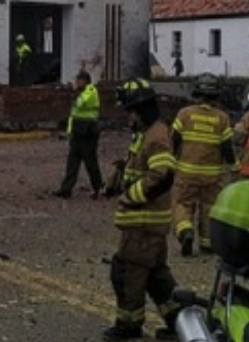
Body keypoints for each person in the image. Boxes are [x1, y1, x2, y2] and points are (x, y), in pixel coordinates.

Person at [103, 79, 180, 341]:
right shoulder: (147, 134)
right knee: (156, 278)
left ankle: (129, 326)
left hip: (143, 225)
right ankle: (181, 321)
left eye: (130, 112)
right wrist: (119, 177)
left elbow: (162, 175)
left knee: (128, 274)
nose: (128, 118)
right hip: (146, 226)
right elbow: (141, 168)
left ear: (142, 110)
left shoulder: (156, 137)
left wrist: (131, 197)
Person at [171, 73, 237, 256]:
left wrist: (170, 162)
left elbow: (174, 141)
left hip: (186, 172)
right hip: (212, 175)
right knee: (209, 207)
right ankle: (207, 244)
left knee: (182, 204)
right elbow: (227, 148)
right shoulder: (222, 118)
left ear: (197, 93)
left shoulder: (184, 114)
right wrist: (234, 167)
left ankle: (185, 231)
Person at [54, 70, 103, 199]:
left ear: (86, 81)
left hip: (88, 132)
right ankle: (66, 189)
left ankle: (98, 187)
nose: (77, 82)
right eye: (77, 80)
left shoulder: (91, 91)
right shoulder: (81, 92)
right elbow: (73, 115)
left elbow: (81, 103)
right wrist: (70, 132)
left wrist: (74, 92)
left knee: (90, 162)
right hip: (78, 131)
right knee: (72, 162)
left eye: (79, 80)